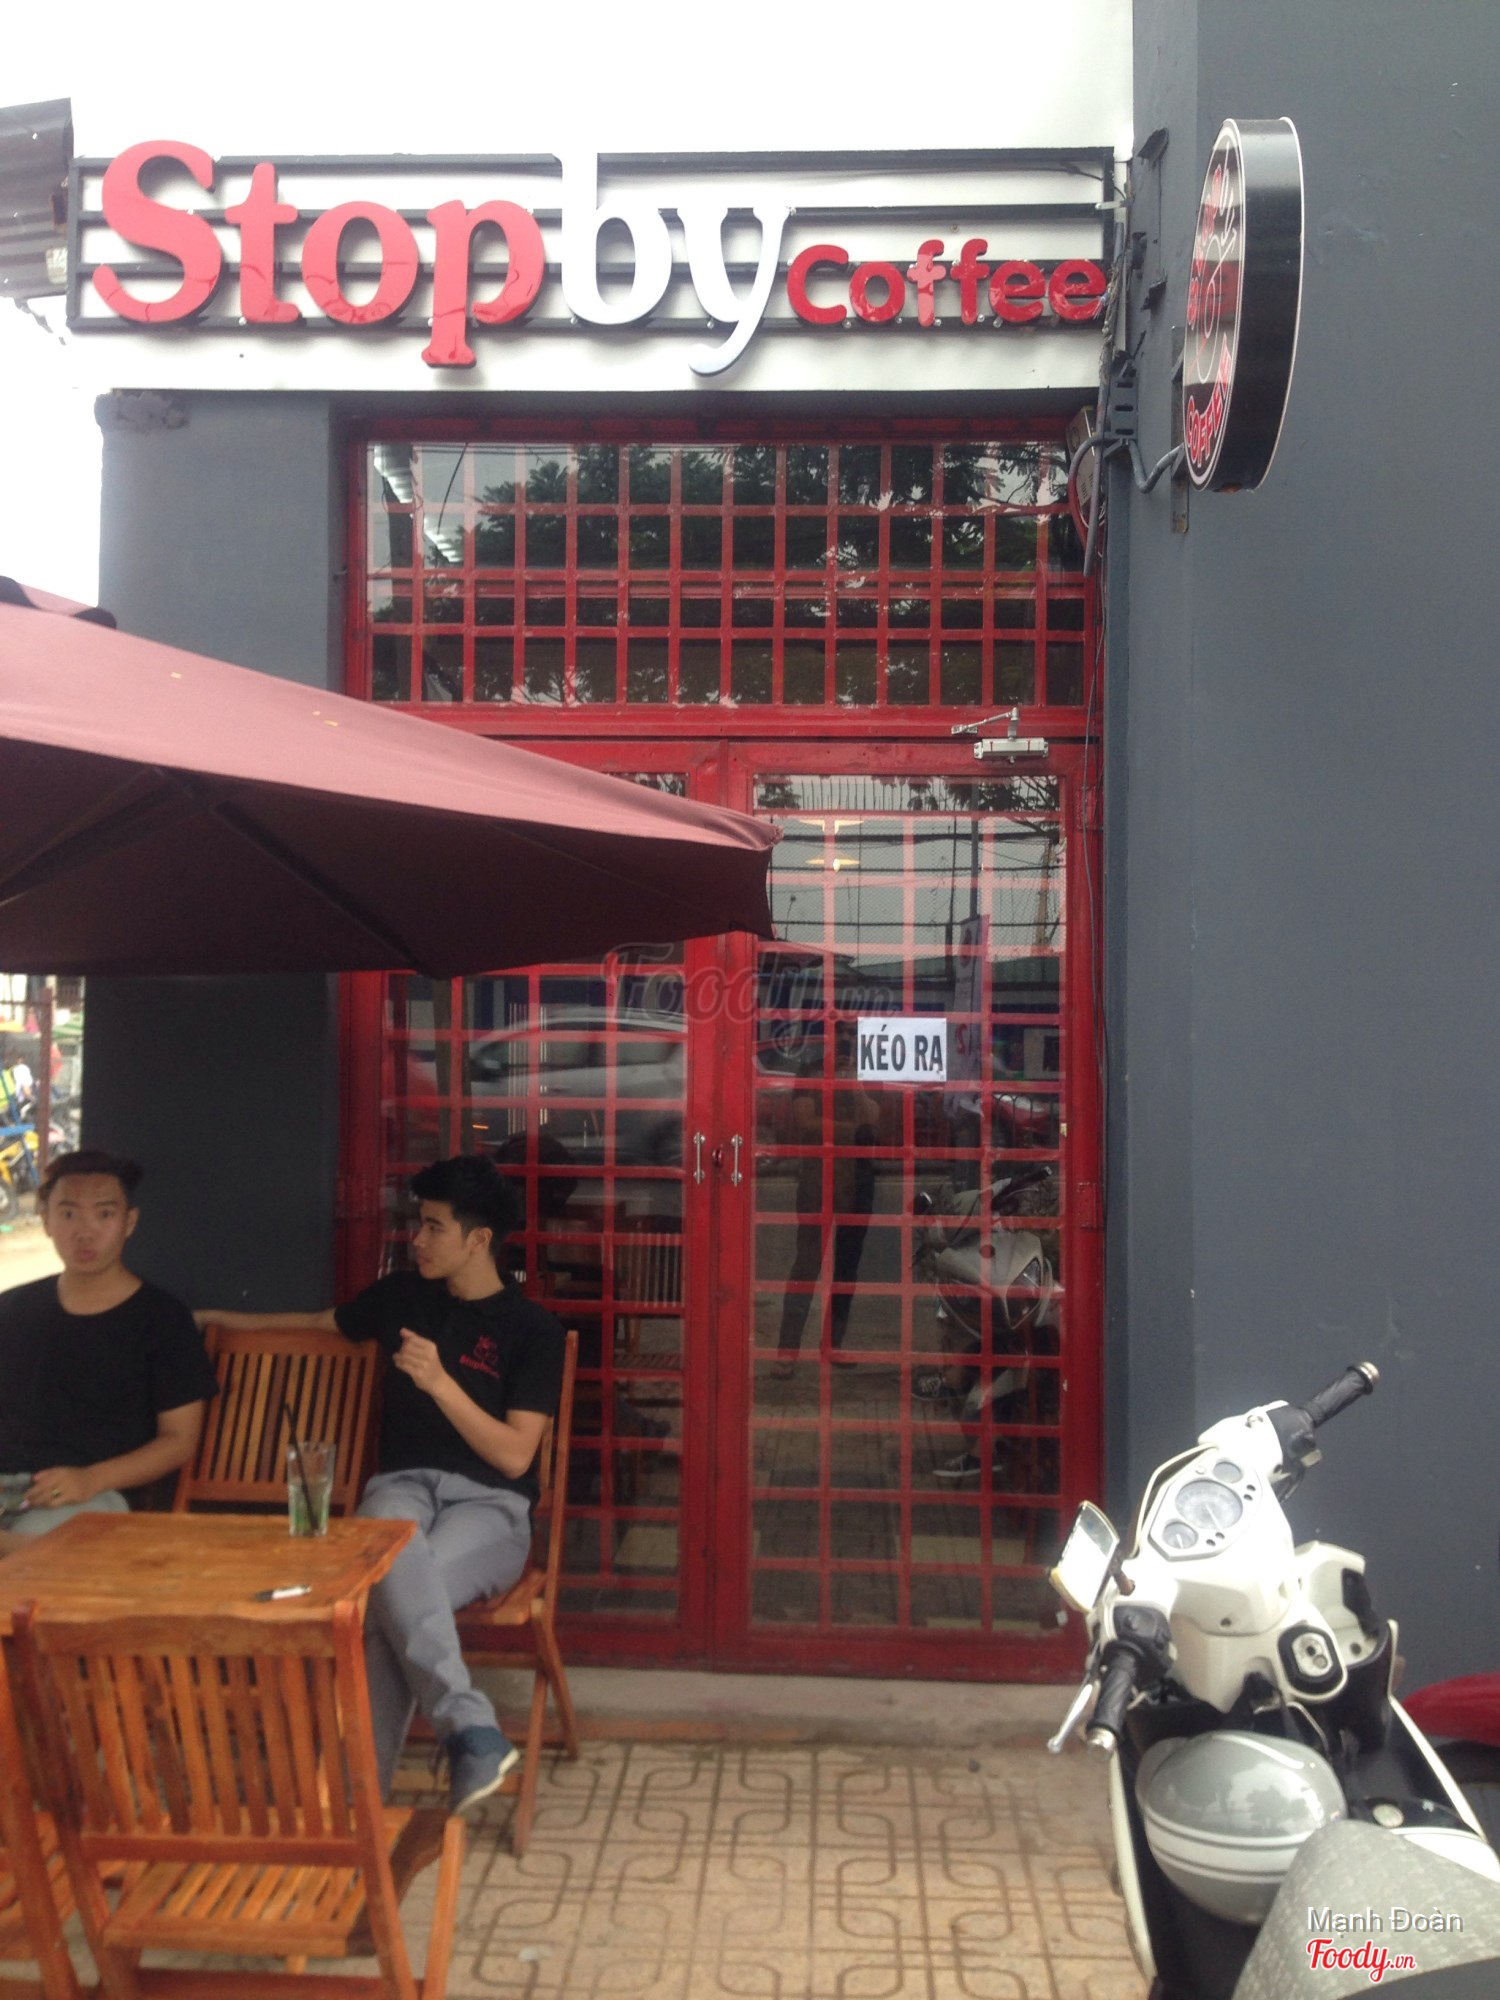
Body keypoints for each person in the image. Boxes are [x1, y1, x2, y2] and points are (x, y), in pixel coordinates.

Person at [199, 1154, 566, 1816]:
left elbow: (516, 1458)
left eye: (433, 1227)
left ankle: (349, 1808)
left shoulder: (530, 1330)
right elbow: (316, 1324)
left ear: (479, 1240)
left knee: (393, 1592)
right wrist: (211, 1319)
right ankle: (469, 1732)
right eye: (417, 1224)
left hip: (489, 1507)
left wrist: (440, 1384)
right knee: (397, 1570)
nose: (416, 1239)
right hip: (400, 1488)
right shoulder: (403, 1297)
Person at [0, 1149, 217, 1555]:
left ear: (128, 1222)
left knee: (50, 1551)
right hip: (7, 1487)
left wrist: (90, 1479)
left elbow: (179, 1440)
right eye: (68, 1214)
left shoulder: (161, 1319)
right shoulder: (11, 1309)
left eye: (103, 1214)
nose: (85, 1232)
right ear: (45, 1220)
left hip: (91, 1496)